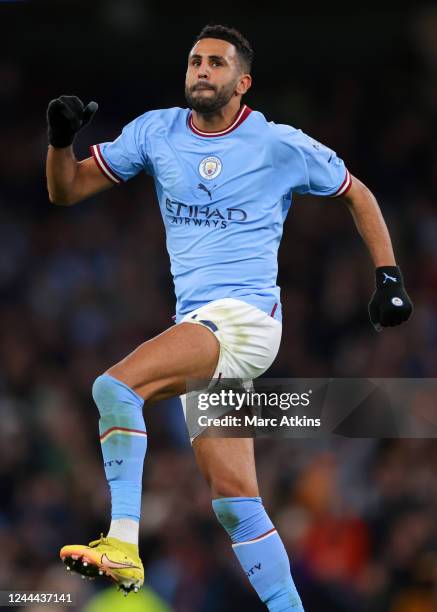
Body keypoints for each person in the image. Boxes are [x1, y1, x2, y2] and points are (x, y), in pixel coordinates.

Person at [45, 24, 412, 611]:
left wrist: (388, 277)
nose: (201, 70)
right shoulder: (155, 132)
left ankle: (122, 541)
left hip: (244, 321)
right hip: (203, 326)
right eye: (194, 61)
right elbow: (65, 192)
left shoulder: (277, 143)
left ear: (242, 83)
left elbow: (356, 192)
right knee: (235, 504)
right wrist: (60, 142)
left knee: (114, 387)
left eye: (216, 63)